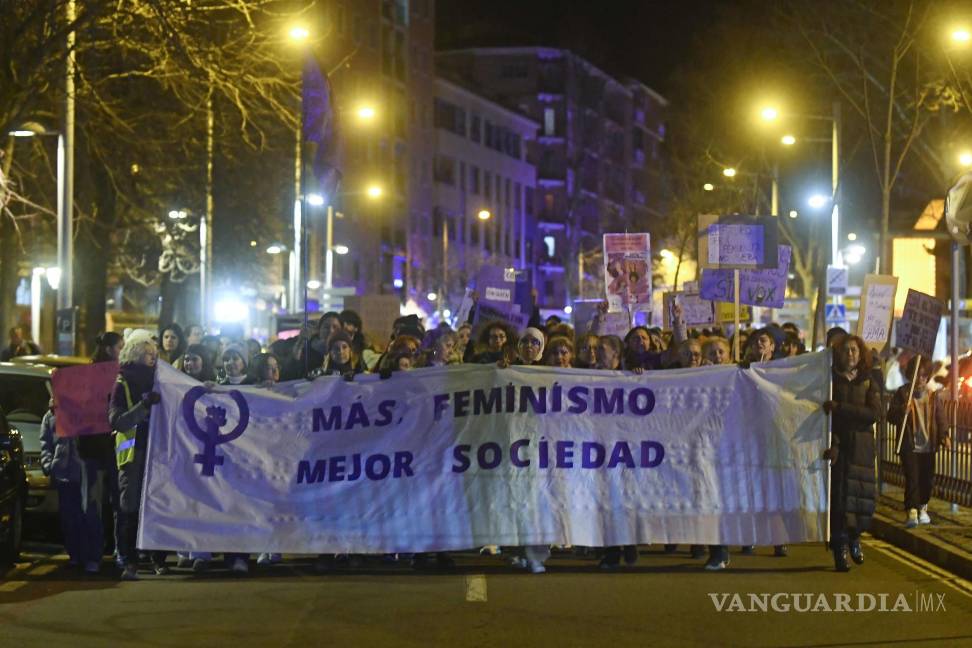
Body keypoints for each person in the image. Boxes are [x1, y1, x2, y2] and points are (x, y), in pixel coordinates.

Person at [822, 335, 881, 572]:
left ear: (861, 353)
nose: (850, 355)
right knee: (838, 499)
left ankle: (855, 538)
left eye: (854, 350)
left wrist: (842, 408)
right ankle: (840, 548)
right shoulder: (830, 380)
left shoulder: (868, 381)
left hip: (862, 448)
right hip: (839, 447)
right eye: (846, 350)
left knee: (860, 498)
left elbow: (873, 414)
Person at [109, 330, 164, 580]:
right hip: (133, 455)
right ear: (134, 352)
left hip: (159, 453)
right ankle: (128, 559)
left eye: (154, 353)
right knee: (129, 508)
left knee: (156, 505)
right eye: (147, 352)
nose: (152, 357)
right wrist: (143, 407)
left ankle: (156, 557)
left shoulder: (162, 380)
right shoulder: (122, 384)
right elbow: (117, 421)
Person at [79, 332, 125, 571]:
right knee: (94, 502)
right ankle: (95, 554)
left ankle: (118, 551)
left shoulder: (123, 374)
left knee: (117, 501)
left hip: (112, 445)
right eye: (120, 346)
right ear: (109, 349)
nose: (122, 350)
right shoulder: (87, 375)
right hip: (93, 446)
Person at [40, 399, 102, 573]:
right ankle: (75, 555)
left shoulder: (86, 412)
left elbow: (94, 437)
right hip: (63, 473)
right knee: (69, 517)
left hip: (84, 471)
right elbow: (46, 442)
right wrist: (49, 465)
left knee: (89, 514)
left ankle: (92, 557)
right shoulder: (50, 416)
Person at [888, 355, 949, 529]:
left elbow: (940, 417)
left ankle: (923, 507)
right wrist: (902, 411)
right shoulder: (903, 394)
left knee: (926, 479)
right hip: (910, 445)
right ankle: (911, 510)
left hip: (928, 446)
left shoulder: (932, 395)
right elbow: (891, 416)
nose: (920, 380)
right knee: (912, 478)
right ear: (910, 375)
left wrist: (944, 435)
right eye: (917, 375)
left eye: (924, 376)